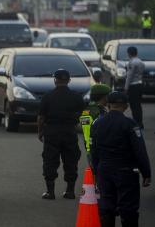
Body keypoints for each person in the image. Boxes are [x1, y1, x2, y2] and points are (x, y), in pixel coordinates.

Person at [90, 92, 151, 227]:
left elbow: (93, 150)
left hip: (104, 169)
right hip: (126, 170)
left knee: (106, 208)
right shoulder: (130, 124)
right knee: (128, 208)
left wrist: (96, 170)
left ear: (108, 105)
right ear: (126, 106)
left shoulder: (97, 123)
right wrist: (146, 173)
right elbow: (140, 150)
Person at [37, 69, 85, 200]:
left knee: (50, 160)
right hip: (69, 131)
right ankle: (70, 191)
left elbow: (41, 117)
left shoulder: (48, 96)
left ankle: (50, 192)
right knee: (71, 160)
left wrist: (40, 132)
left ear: (55, 80)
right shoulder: (76, 96)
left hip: (52, 131)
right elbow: (82, 112)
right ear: (69, 80)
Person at [80, 84, 111, 162]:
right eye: (108, 96)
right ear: (104, 97)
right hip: (98, 149)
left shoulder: (88, 109)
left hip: (92, 147)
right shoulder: (96, 111)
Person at [125, 46, 145, 129]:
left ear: (129, 53)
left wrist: (126, 87)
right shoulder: (141, 62)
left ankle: (136, 123)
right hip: (140, 84)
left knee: (134, 105)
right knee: (138, 105)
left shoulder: (132, 63)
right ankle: (140, 122)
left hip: (133, 86)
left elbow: (129, 76)